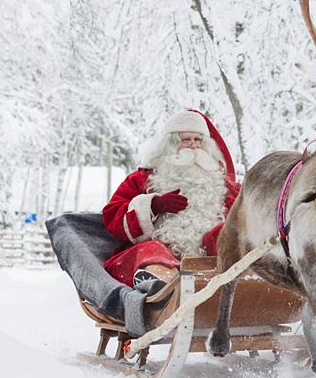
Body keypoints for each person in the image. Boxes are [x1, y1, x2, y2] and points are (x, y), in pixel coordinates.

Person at [102, 109, 240, 294]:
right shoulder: (142, 179)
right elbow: (112, 216)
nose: (193, 145)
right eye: (185, 139)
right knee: (150, 252)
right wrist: (153, 206)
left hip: (211, 258)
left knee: (231, 241)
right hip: (157, 252)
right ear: (169, 144)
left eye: (198, 140)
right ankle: (162, 287)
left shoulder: (223, 184)